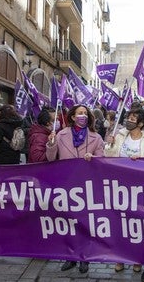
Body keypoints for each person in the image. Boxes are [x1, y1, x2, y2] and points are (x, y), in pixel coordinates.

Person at [46, 104, 104, 274]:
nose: (83, 116)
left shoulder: (96, 137)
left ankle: (84, 258)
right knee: (68, 222)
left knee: (84, 222)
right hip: (67, 184)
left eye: (85, 113)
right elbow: (50, 158)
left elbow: (101, 160)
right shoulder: (61, 135)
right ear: (72, 117)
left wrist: (92, 158)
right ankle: (70, 256)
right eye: (79, 113)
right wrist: (51, 143)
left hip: (86, 186)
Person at [104, 107, 144, 274]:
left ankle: (137, 258)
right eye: (129, 117)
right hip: (120, 184)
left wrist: (141, 161)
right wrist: (110, 144)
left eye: (133, 118)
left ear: (141, 123)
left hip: (140, 187)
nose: (129, 120)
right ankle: (120, 257)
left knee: (138, 224)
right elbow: (108, 155)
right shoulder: (119, 135)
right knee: (120, 222)